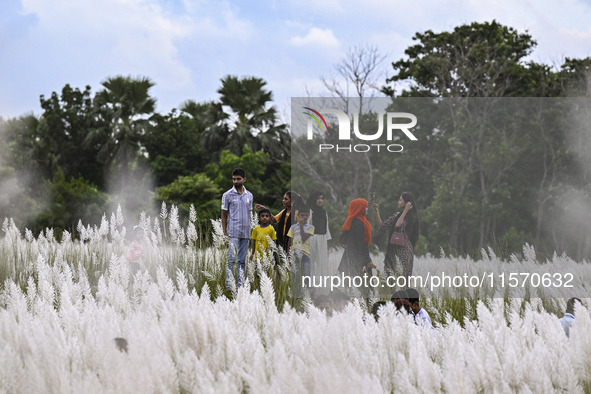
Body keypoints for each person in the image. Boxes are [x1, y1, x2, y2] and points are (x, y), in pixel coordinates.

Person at [373, 192, 419, 280]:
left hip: (404, 251)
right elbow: (381, 227)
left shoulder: (412, 217)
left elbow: (398, 224)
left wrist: (405, 211)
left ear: (407, 203)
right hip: (394, 251)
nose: (398, 202)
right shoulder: (397, 215)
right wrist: (377, 212)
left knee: (402, 279)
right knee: (390, 278)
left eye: (400, 200)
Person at [221, 168, 253, 289]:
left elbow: (249, 214)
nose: (235, 181)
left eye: (238, 179)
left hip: (245, 233)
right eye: (234, 179)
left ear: (244, 179)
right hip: (233, 232)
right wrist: (225, 232)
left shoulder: (249, 195)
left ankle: (240, 286)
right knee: (231, 259)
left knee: (241, 261)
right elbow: (223, 215)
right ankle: (230, 286)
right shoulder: (227, 195)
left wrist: (250, 233)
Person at [338, 198, 373, 277]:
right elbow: (361, 244)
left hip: (351, 257)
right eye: (365, 207)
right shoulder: (359, 224)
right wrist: (368, 260)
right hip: (358, 260)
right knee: (362, 285)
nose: (366, 209)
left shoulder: (354, 221)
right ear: (360, 209)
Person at [307, 191, 332, 277]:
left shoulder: (324, 212)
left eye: (322, 198)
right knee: (311, 262)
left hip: (322, 239)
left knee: (321, 263)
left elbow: (326, 227)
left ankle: (320, 283)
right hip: (312, 238)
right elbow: (307, 226)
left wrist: (327, 245)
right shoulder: (310, 211)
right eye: (318, 198)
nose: (320, 200)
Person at [287, 207, 314, 285]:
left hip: (306, 254)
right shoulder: (293, 227)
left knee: (306, 275)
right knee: (296, 275)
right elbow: (290, 241)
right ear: (298, 216)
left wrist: (301, 225)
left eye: (306, 215)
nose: (304, 217)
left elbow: (304, 237)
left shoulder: (311, 227)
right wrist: (289, 255)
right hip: (295, 252)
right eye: (302, 215)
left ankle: (307, 293)